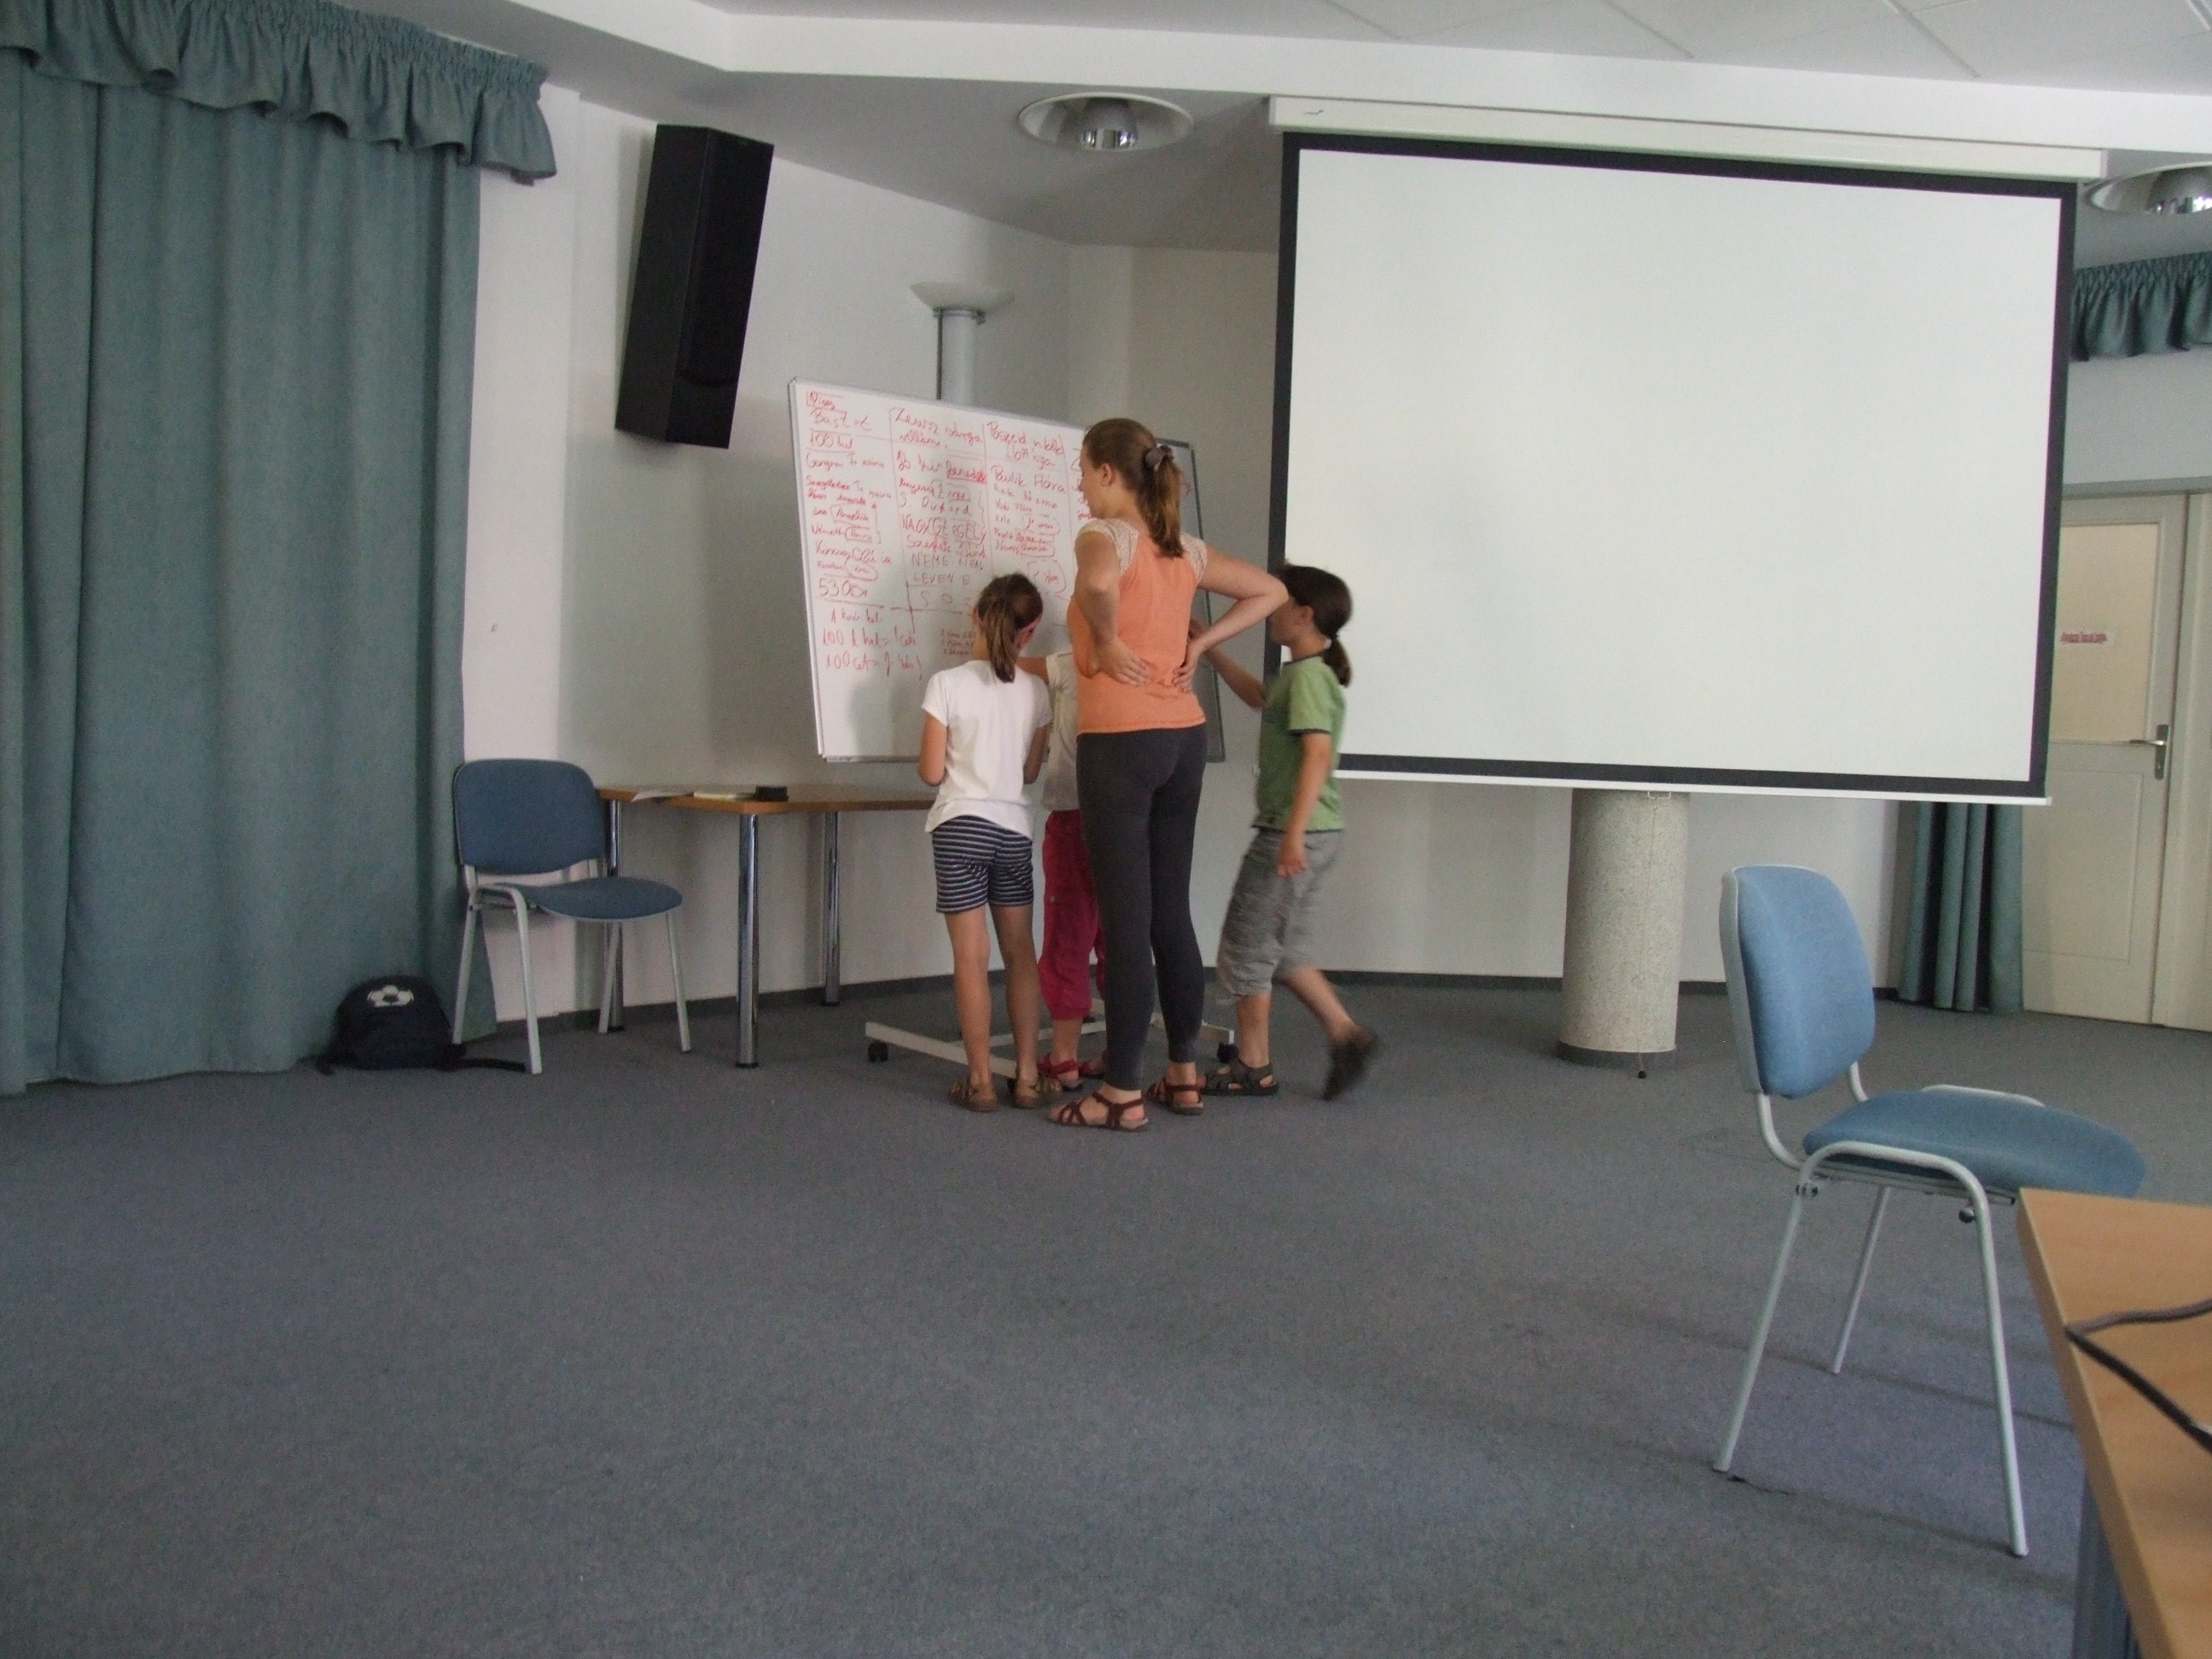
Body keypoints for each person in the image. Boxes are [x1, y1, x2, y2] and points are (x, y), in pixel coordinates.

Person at [1048, 419, 1286, 1132]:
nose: (1080, 485)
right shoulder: (1182, 546)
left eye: (1083, 471)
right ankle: (1183, 1073)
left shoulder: (1104, 535)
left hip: (1121, 743)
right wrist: (1202, 645)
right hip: (1183, 737)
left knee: (1126, 922)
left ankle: (1120, 1092)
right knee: (1169, 913)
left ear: (1109, 474)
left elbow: (1096, 583)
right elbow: (1270, 591)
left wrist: (1108, 635)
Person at [1202, 565, 1379, 1099]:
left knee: (1247, 946)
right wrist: (1209, 648)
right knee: (1284, 949)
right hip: (1313, 831)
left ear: (1303, 614)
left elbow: (1317, 755)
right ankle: (1347, 1035)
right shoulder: (1299, 674)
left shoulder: (1307, 678)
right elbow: (1258, 696)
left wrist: (1293, 834)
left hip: (1294, 832)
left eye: (1276, 604)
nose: (1266, 613)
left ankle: (1253, 1065)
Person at [917, 574, 1052, 1111]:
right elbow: (1031, 771)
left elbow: (932, 773)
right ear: (1030, 632)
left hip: (960, 827)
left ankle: (980, 1082)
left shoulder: (946, 684)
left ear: (975, 614)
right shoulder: (1037, 691)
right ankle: (1027, 1076)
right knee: (1021, 956)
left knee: (971, 959)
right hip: (1013, 831)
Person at [1018, 645, 1103, 1091]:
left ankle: (1064, 1056)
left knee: (1067, 933)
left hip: (1075, 814)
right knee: (1118, 937)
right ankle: (1119, 1051)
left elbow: (1005, 659)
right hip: (1131, 819)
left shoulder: (1073, 661)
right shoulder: (1149, 659)